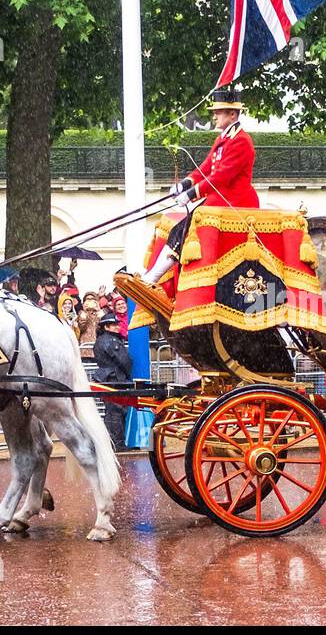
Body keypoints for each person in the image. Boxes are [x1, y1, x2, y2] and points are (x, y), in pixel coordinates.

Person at [141, 88, 259, 285]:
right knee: (178, 228)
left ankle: (153, 277)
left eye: (219, 112)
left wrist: (191, 193)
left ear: (232, 114)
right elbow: (206, 168)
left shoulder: (241, 141)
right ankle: (153, 276)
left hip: (235, 202)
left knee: (185, 227)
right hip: (220, 200)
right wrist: (185, 184)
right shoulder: (224, 138)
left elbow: (221, 176)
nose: (214, 115)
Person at [92, 312, 132, 451]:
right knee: (116, 411)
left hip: (108, 377)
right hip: (115, 378)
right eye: (114, 325)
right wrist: (129, 372)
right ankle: (117, 444)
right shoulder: (111, 341)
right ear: (107, 327)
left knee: (112, 411)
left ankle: (113, 442)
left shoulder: (101, 340)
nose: (117, 327)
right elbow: (123, 360)